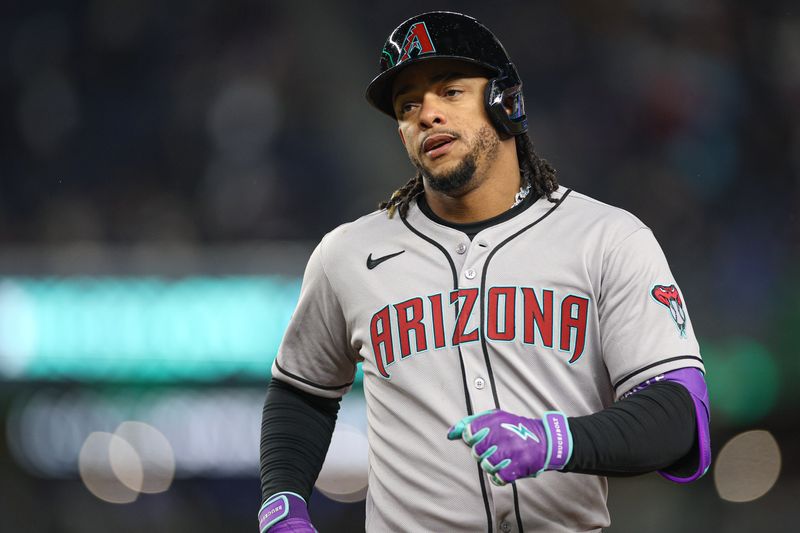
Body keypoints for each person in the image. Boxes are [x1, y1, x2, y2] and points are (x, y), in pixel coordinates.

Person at [258, 11, 710, 533]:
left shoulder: (607, 238)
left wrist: (555, 441)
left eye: (449, 92)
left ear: (505, 101)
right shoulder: (348, 254)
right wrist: (282, 501)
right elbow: (302, 391)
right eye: (408, 105)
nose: (426, 114)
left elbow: (678, 412)